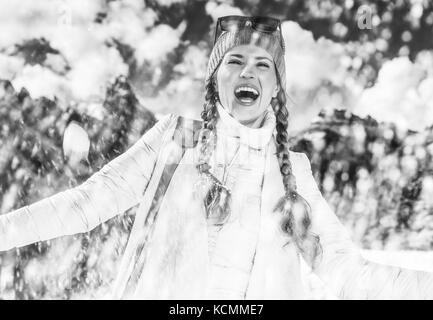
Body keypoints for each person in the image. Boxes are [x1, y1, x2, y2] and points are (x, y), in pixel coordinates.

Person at [1, 15, 432, 300]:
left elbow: (345, 270)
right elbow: (86, 204)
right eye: (235, 60)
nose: (249, 72)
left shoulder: (295, 173)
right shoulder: (174, 141)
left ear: (277, 87)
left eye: (264, 64)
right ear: (215, 79)